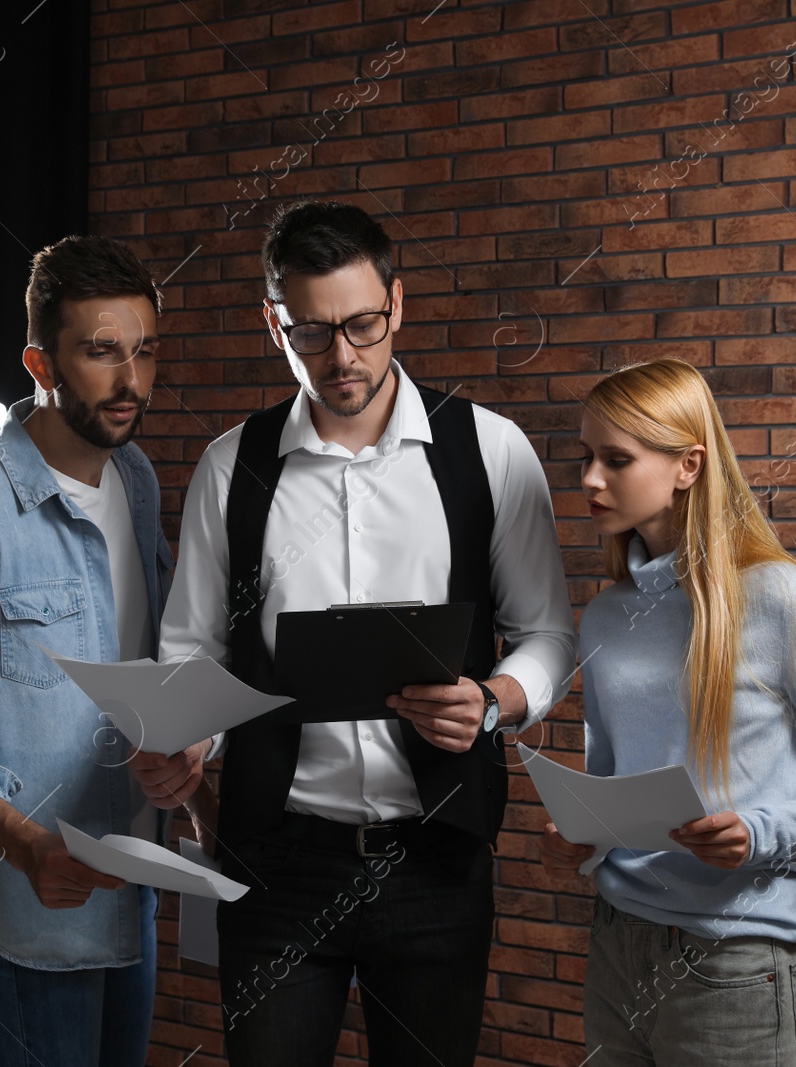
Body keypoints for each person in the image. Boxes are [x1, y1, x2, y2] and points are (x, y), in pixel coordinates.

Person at [158, 199, 579, 1066]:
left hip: (435, 863)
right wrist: (181, 736)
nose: (342, 356)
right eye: (311, 332)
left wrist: (494, 700)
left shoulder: (490, 450)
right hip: (273, 861)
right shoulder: (233, 463)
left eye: (361, 323)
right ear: (271, 323)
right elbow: (190, 647)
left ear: (399, 302)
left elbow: (548, 635)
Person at [538, 358, 796, 1066]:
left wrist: (761, 831)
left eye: (616, 459)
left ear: (687, 465)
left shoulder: (781, 598)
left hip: (736, 962)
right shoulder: (607, 614)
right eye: (585, 456)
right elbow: (614, 784)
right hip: (618, 942)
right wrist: (582, 836)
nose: (589, 478)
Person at [0, 234, 202, 1067]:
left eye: (144, 352)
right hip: (28, 906)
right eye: (100, 353)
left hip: (133, 894)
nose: (130, 382)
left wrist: (185, 750)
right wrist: (23, 845)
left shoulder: (139, 478)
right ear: (40, 362)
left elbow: (146, 665)